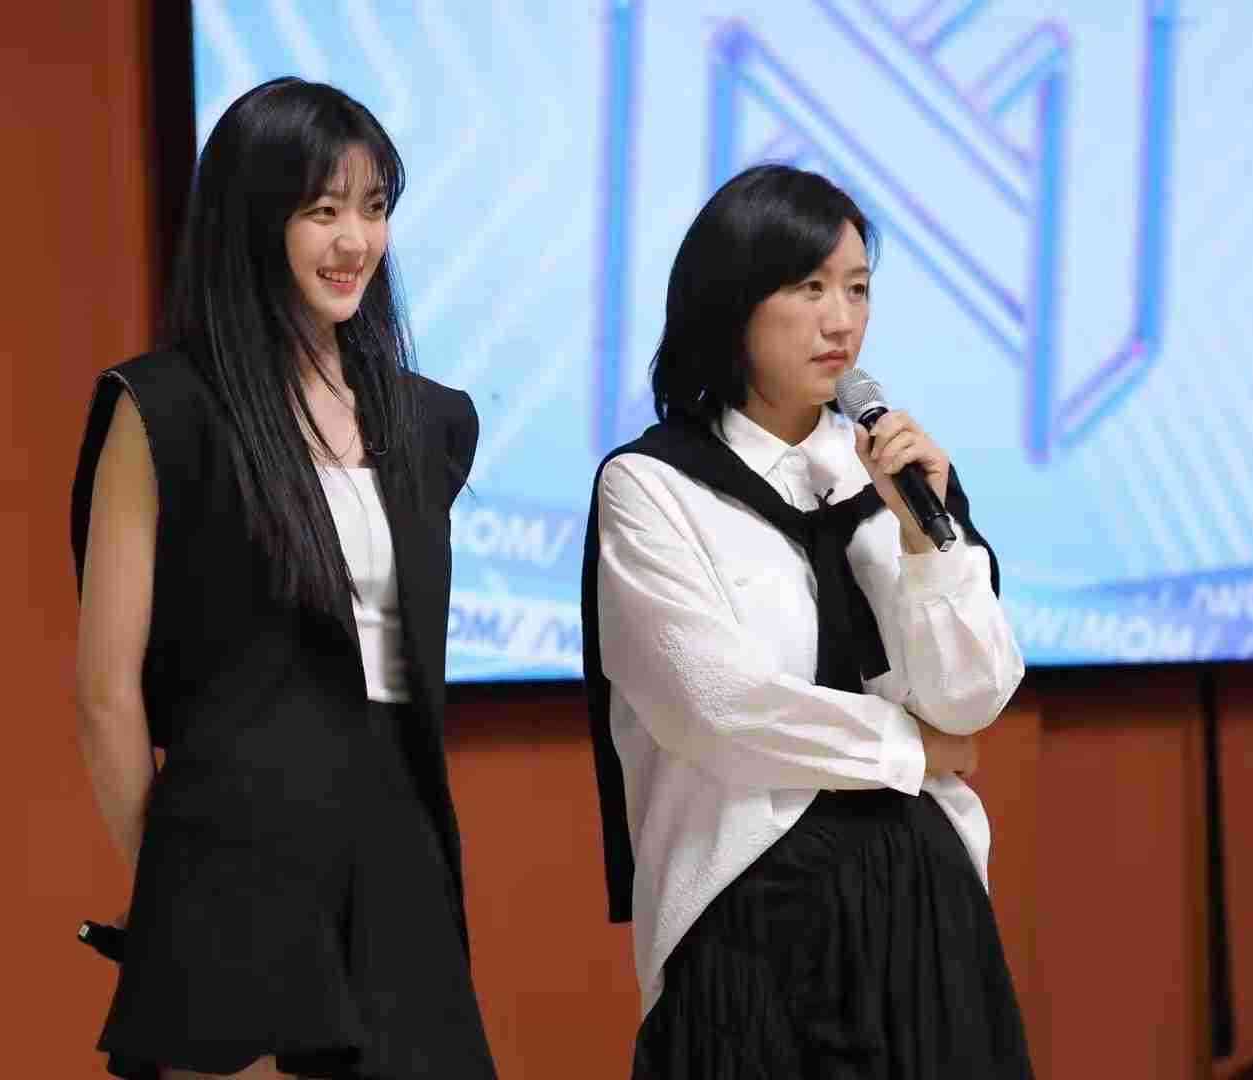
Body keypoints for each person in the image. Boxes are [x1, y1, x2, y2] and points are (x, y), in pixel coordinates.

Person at [71, 77, 496, 1079]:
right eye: (322, 210)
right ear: (253, 221)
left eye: (373, 208)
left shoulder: (427, 421)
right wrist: (172, 888)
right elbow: (104, 692)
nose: (355, 241)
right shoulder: (164, 410)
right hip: (234, 851)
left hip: (399, 844)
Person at [581, 164, 1033, 1078]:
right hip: (747, 916)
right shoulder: (653, 487)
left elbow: (973, 697)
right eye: (810, 288)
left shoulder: (895, 482)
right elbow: (718, 708)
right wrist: (913, 750)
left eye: (858, 289)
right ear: (733, 302)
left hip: (926, 910)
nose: (842, 321)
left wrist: (927, 543)